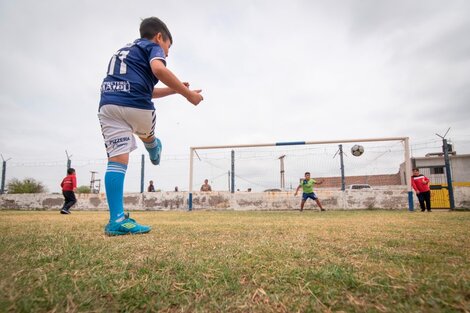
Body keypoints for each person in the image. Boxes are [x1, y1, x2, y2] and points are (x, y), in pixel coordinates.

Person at [98, 17, 203, 236]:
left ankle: (117, 220)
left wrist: (174, 90)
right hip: (137, 107)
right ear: (158, 37)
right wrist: (188, 95)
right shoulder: (152, 46)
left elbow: (145, 89)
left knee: (117, 161)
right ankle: (152, 144)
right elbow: (158, 70)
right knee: (146, 133)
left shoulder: (125, 51)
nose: (166, 53)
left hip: (108, 105)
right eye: (168, 47)